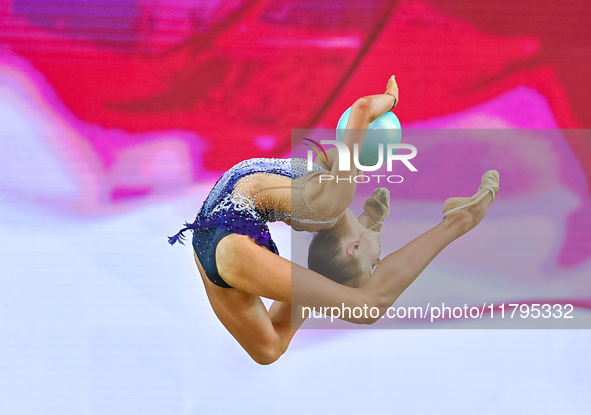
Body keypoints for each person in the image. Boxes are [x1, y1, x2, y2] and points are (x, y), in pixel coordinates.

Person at [169, 76, 500, 364]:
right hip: (224, 227)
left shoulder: (327, 203)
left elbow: (361, 110)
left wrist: (390, 100)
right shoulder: (322, 200)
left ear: (354, 247)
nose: (381, 259)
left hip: (226, 225)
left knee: (272, 348)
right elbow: (352, 129)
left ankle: (449, 220)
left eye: (375, 262)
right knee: (351, 289)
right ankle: (456, 219)